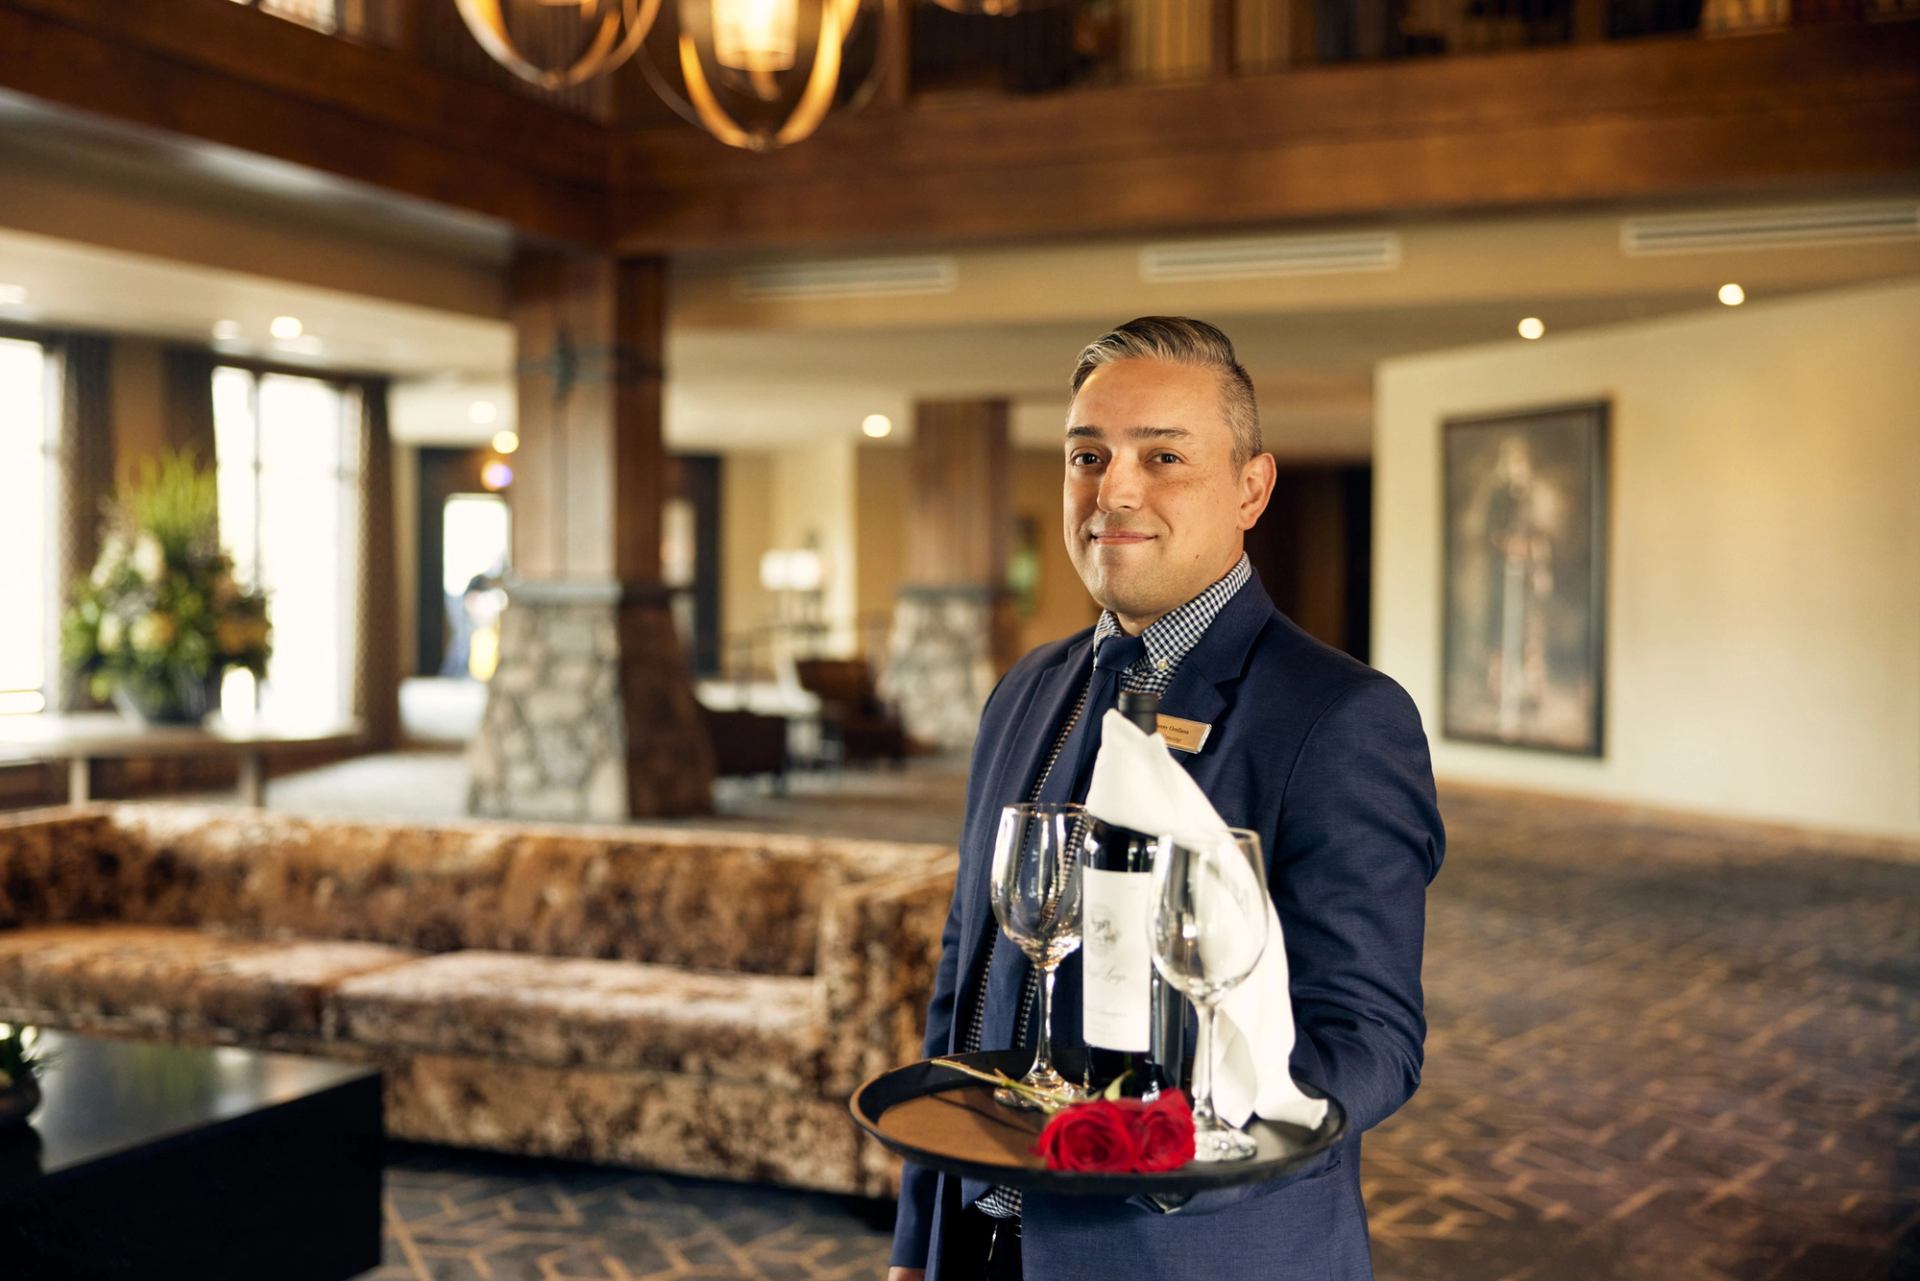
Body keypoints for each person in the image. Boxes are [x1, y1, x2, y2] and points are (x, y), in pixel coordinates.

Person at [887, 317, 1445, 1281]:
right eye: (1089, 454)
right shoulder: (1024, 688)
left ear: (1251, 488)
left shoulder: (1342, 717)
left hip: (1187, 1251)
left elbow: (1371, 1040)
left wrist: (1180, 1153)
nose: (1115, 490)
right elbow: (965, 978)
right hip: (980, 1245)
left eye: (1164, 456)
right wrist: (917, 1238)